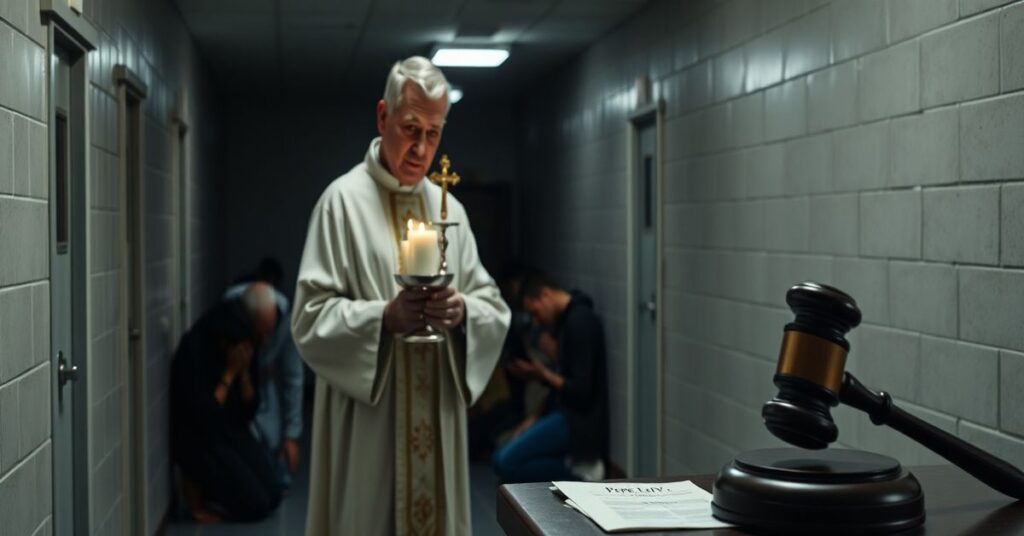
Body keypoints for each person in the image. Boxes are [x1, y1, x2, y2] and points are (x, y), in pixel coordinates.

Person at [290, 56, 510, 535]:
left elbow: (492, 306)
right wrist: (384, 318)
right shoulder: (341, 203)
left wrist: (463, 311)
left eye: (434, 133)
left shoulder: (447, 207)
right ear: (382, 116)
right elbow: (308, 319)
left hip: (436, 411)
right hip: (369, 428)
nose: (421, 148)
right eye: (411, 128)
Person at [170, 291, 283, 522]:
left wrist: (244, 376)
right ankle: (213, 492)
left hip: (230, 431)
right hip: (202, 440)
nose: (264, 341)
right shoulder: (197, 348)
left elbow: (249, 410)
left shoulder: (246, 343)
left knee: (274, 493)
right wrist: (229, 375)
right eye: (262, 333)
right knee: (257, 506)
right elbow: (203, 419)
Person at [493, 271, 610, 484]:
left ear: (545, 294)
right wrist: (533, 418)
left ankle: (578, 473)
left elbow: (580, 390)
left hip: (578, 421)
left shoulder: (580, 322)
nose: (536, 321)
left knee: (507, 463)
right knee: (499, 457)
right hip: (560, 410)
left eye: (535, 312)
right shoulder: (565, 322)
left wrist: (540, 373)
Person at [223, 267, 305, 488]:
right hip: (232, 378)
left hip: (264, 380)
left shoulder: (286, 318)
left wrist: (292, 435)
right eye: (260, 333)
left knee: (271, 437)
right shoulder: (232, 306)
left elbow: (293, 377)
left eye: (269, 333)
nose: (264, 339)